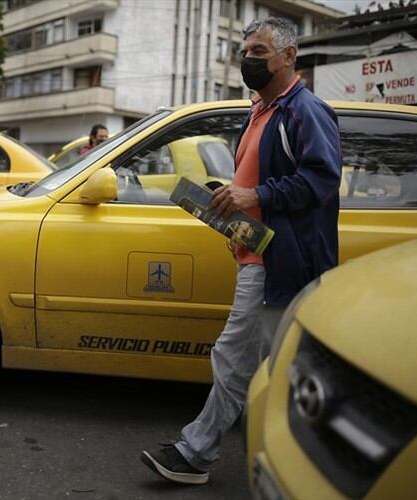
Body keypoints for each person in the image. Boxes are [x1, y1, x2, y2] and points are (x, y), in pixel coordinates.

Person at [140, 17, 341, 485]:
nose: (248, 59)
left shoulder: (304, 111)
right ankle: (300, 460)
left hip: (281, 259)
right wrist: (230, 196)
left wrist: (257, 196)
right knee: (273, 362)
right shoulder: (261, 110)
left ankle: (197, 454)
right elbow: (258, 180)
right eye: (245, 51)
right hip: (256, 249)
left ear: (289, 57)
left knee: (239, 356)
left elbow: (322, 179)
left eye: (258, 52)